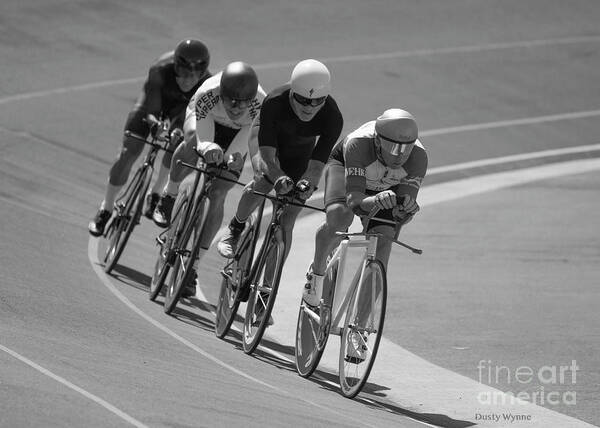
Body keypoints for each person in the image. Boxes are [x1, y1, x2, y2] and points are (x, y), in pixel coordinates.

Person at [304, 108, 427, 361]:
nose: (399, 156)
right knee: (340, 217)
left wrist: (408, 209)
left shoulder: (418, 158)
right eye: (393, 149)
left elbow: (401, 214)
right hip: (349, 174)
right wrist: (376, 200)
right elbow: (355, 201)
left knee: (383, 242)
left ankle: (358, 329)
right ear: (378, 140)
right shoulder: (360, 144)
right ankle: (316, 275)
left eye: (405, 150)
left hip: (386, 187)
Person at [152, 61, 266, 296]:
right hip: (205, 123)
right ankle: (169, 195)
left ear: (251, 99)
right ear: (222, 94)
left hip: (239, 133)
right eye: (231, 101)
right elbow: (200, 131)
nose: (235, 107)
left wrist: (235, 157)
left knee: (219, 191)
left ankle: (193, 266)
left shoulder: (260, 105)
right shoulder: (208, 93)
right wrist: (206, 146)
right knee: (192, 141)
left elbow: (248, 138)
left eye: (242, 103)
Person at [216, 59, 343, 269]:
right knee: (264, 181)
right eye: (302, 100)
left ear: (325, 97)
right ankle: (235, 229)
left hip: (299, 151)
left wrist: (306, 186)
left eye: (317, 101)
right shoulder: (275, 101)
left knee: (290, 216)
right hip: (267, 141)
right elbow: (267, 156)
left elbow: (316, 167)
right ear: (293, 92)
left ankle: (268, 286)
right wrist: (278, 177)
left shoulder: (332, 117)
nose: (309, 107)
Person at [88, 39, 211, 236]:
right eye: (183, 75)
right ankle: (106, 208)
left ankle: (156, 192)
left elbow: (190, 117)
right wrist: (155, 124)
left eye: (193, 77)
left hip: (181, 112)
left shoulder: (207, 85)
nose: (187, 81)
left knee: (180, 144)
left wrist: (176, 132)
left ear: (202, 74)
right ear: (176, 68)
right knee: (129, 151)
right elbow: (151, 109)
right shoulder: (160, 69)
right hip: (152, 106)